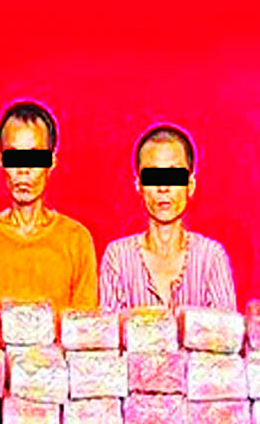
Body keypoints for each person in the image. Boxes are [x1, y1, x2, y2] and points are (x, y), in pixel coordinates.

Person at [0, 100, 98, 312]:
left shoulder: (76, 240)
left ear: (51, 161)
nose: (23, 170)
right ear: (0, 161)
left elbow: (84, 326)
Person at [99, 124, 236, 311]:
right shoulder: (117, 257)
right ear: (138, 185)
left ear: (190, 185)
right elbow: (108, 328)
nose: (163, 188)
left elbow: (225, 327)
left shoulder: (211, 257)